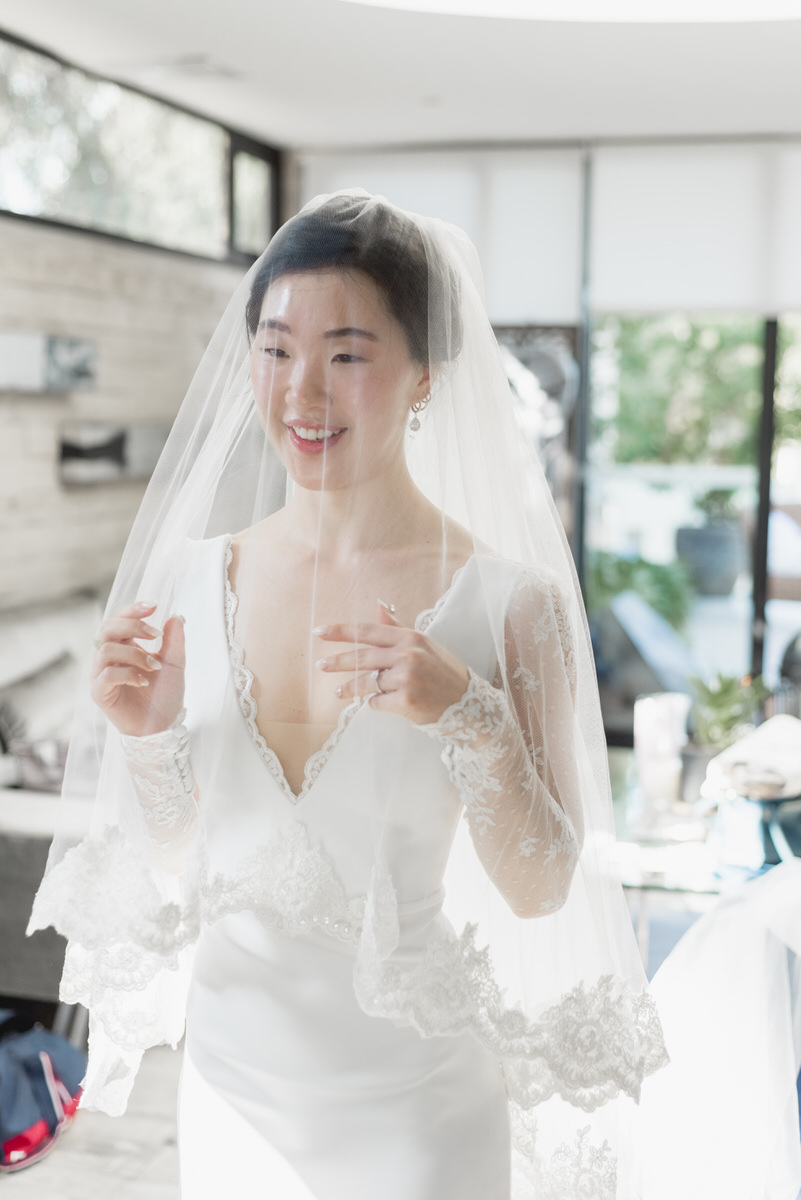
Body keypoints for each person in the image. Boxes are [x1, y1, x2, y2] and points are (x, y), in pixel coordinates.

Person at [29, 191, 666, 1199]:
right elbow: (179, 857)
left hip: (416, 1115)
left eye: (348, 354)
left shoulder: (511, 604)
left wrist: (471, 717)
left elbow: (542, 887)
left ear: (425, 376)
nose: (302, 392)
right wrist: (149, 738)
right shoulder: (189, 577)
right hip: (230, 1095)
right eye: (276, 350)